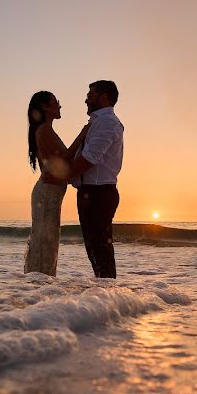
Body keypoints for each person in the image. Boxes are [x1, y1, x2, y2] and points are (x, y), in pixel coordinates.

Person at [61, 80, 124, 279]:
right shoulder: (97, 122)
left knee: (100, 251)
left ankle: (109, 296)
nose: (86, 99)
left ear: (104, 96)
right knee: (95, 251)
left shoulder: (107, 122)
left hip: (98, 193)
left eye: (91, 94)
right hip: (93, 192)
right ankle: (106, 294)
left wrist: (59, 178)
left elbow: (89, 159)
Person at [23, 91, 89, 276]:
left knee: (48, 239)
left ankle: (39, 287)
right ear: (45, 107)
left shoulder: (46, 129)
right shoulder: (44, 129)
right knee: (45, 240)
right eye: (56, 102)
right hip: (47, 192)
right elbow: (65, 160)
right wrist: (82, 135)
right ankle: (38, 284)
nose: (59, 106)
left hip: (50, 192)